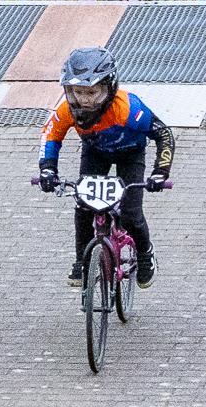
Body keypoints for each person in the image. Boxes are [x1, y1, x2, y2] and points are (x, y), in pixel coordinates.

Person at [36, 47, 175, 288]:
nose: (85, 100)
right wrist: (48, 169)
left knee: (131, 214)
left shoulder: (129, 108)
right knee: (83, 207)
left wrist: (160, 172)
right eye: (78, 92)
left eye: (92, 92)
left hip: (130, 154)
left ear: (108, 88)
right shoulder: (66, 110)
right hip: (95, 153)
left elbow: (164, 134)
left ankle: (145, 254)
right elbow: (50, 136)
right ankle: (82, 261)